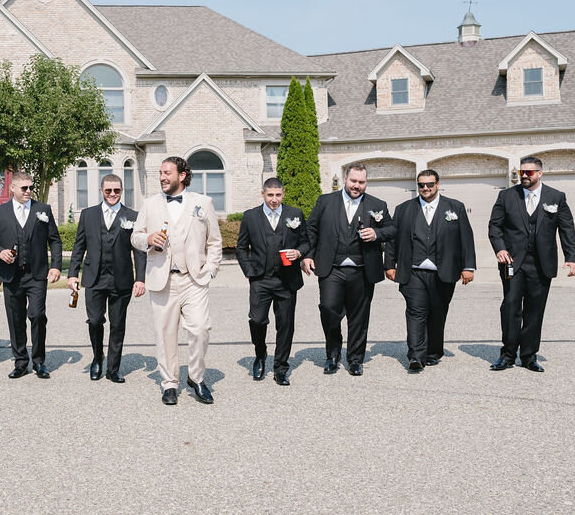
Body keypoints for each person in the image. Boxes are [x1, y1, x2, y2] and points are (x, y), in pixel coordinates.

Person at [131, 156, 222, 405]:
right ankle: (170, 383)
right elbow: (135, 237)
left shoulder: (203, 203)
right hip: (163, 281)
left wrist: (211, 270)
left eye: (167, 172)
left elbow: (214, 241)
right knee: (165, 334)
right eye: (160, 173)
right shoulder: (149, 204)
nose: (162, 177)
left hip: (194, 280)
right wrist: (148, 238)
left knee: (201, 329)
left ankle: (196, 377)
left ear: (182, 175)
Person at [488, 156, 575, 372]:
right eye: (522, 172)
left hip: (542, 264)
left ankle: (529, 356)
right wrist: (500, 248)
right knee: (510, 307)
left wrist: (572, 257)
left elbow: (567, 229)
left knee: (534, 311)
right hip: (512, 262)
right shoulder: (506, 196)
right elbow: (494, 226)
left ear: (540, 173)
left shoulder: (556, 197)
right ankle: (507, 355)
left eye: (529, 172)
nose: (525, 176)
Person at [301, 162, 393, 376]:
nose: (357, 186)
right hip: (331, 268)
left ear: (366, 183)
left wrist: (377, 234)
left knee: (359, 317)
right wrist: (307, 255)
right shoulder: (325, 201)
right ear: (345, 179)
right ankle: (333, 354)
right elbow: (311, 229)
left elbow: (392, 228)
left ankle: (355, 359)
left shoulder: (377, 204)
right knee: (328, 309)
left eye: (361, 182)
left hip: (363, 270)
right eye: (353, 181)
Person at [384, 169, 475, 372]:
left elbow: (466, 239)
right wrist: (389, 265)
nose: (425, 188)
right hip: (413, 271)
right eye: (421, 185)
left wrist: (468, 267)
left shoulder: (455, 207)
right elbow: (393, 239)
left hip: (443, 271)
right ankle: (415, 355)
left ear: (438, 184)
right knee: (416, 312)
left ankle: (433, 352)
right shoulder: (403, 209)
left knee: (437, 312)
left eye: (429, 184)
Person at [67, 174, 146, 383]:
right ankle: (97, 358)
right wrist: (73, 274)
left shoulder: (133, 216)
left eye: (117, 190)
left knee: (118, 324)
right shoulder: (88, 214)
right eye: (109, 190)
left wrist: (141, 278)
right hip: (94, 277)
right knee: (94, 321)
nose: (112, 194)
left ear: (122, 191)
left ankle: (113, 368)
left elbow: (139, 250)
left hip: (122, 279)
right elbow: (79, 246)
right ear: (102, 190)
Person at [0, 172, 63, 379]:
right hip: (10, 275)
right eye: (24, 188)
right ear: (13, 188)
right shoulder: (0, 212)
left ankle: (39, 361)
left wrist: (55, 266)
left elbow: (54, 240)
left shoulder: (42, 210)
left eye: (31, 187)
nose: (29, 191)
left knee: (37, 315)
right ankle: (20, 361)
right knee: (15, 318)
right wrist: (0, 251)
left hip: (36, 274)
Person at [235, 177, 310, 385]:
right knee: (257, 320)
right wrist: (249, 270)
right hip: (260, 279)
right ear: (263, 194)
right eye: (270, 195)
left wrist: (299, 252)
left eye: (278, 195)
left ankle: (281, 367)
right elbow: (241, 247)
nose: (274, 200)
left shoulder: (295, 214)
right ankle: (260, 354)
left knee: (285, 325)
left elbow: (306, 242)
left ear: (283, 194)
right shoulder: (250, 216)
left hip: (287, 281)